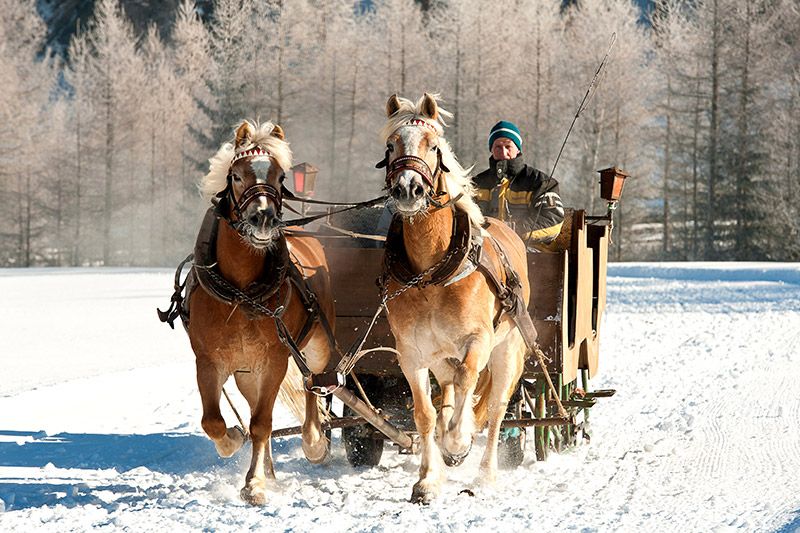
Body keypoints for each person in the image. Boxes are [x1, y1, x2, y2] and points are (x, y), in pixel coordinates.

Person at [473, 120, 564, 246]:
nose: (503, 152)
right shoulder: (475, 184)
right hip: (482, 249)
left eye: (508, 146)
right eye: (498, 147)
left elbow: (553, 222)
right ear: (491, 150)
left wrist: (511, 231)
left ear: (518, 149)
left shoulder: (541, 183)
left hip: (530, 253)